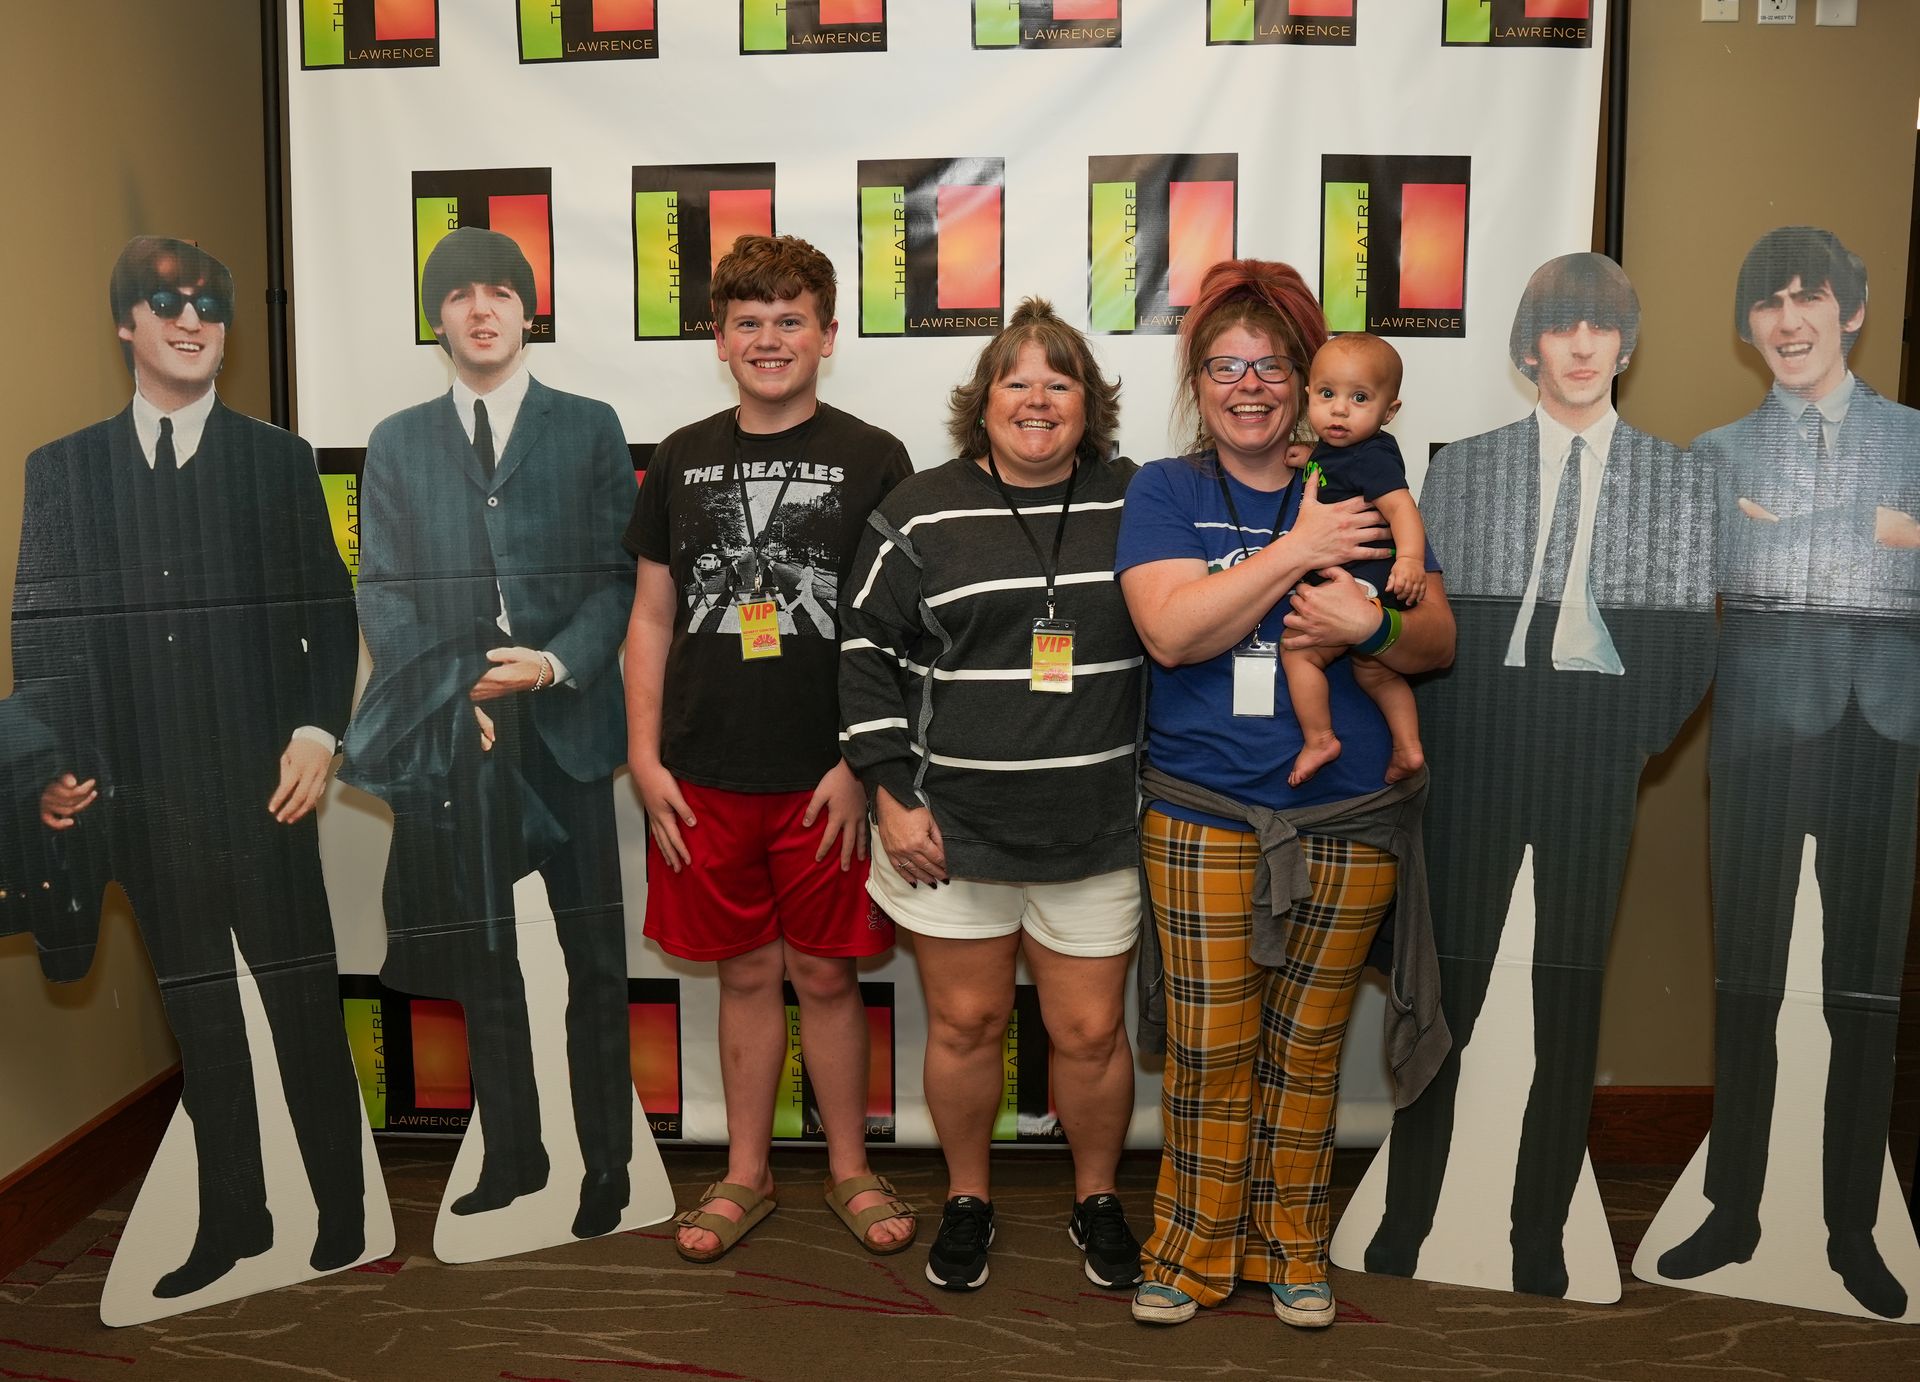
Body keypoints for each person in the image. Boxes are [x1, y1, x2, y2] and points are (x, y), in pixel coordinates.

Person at [12, 236, 367, 1297]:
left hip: (268, 790)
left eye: (209, 304)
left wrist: (318, 730)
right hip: (143, 798)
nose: (193, 318)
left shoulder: (276, 459)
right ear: (127, 324)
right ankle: (235, 1221)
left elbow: (325, 608)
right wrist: (57, 765)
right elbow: (45, 632)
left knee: (302, 1006)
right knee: (203, 1019)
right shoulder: (65, 469)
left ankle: (343, 1214)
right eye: (166, 302)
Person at [1361, 253, 1716, 1297]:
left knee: (1567, 997)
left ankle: (1537, 1227)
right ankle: (1411, 1210)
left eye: (1600, 328)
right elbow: (1426, 627)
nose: (1579, 346)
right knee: (1447, 990)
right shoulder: (1461, 469)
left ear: (1626, 344)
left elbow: (1691, 643)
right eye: (1559, 328)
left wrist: (1619, 747)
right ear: (1529, 348)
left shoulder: (1676, 477)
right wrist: (1438, 739)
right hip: (1474, 748)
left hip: (1593, 760)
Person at [1114, 258, 1455, 1328]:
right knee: (1211, 1045)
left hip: (1348, 812)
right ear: (1197, 381)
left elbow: (1437, 638)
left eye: (1271, 365)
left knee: (1307, 1049)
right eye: (1225, 365)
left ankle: (1291, 1247)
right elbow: (1172, 629)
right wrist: (1301, 551)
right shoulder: (1166, 490)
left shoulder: (1360, 476)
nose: (1249, 384)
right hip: (1205, 809)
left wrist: (1376, 628)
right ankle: (1187, 1251)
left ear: (1310, 380)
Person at [840, 299, 1146, 1293]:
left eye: (1060, 380)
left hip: (1095, 826)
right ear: (985, 401)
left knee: (1092, 1032)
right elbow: (863, 652)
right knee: (966, 1025)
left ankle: (1097, 1194)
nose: (1037, 397)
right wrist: (889, 791)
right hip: (949, 828)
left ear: (1088, 403)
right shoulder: (920, 509)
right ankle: (968, 1195)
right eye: (1017, 379)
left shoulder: (1138, 498)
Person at [624, 234, 917, 1263]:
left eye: (791, 319)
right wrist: (646, 758)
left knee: (829, 978)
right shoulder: (681, 454)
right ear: (718, 338)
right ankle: (745, 1173)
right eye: (748, 321)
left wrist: (860, 765)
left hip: (825, 777)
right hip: (703, 773)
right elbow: (651, 619)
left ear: (828, 335)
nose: (770, 337)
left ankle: (848, 1165)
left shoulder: (875, 455)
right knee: (745, 975)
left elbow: (893, 628)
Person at [344, 227, 637, 1242]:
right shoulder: (397, 441)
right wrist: (448, 684)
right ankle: (516, 1154)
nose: (481, 309)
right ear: (439, 320)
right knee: (486, 955)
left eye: (499, 292)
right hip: (461, 734)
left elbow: (615, 579)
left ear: (526, 310)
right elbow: (381, 587)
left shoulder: (591, 426)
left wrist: (553, 662)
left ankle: (607, 1163)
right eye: (460, 294)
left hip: (568, 726)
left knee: (597, 958)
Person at [1653, 227, 1920, 1319]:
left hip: (1888, 735)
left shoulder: (1915, 438)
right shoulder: (1713, 455)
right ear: (1746, 324)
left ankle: (1852, 1222)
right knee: (1748, 980)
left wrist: (1830, 527)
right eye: (1769, 304)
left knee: (1864, 989)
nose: (1790, 321)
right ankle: (1735, 1206)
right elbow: (1703, 583)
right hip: (1761, 736)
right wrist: (1876, 531)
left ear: (1851, 313)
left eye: (1811, 300)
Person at [1283, 333, 1427, 787]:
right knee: (1375, 669)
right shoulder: (1344, 450)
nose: (1339, 409)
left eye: (1359, 398)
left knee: (1299, 654)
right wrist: (1311, 460)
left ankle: (1320, 738)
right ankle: (1408, 748)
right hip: (1372, 587)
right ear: (1309, 394)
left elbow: (1402, 507)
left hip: (1360, 582)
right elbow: (1339, 475)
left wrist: (1410, 560)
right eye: (1327, 394)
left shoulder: (1374, 457)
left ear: (1390, 412)